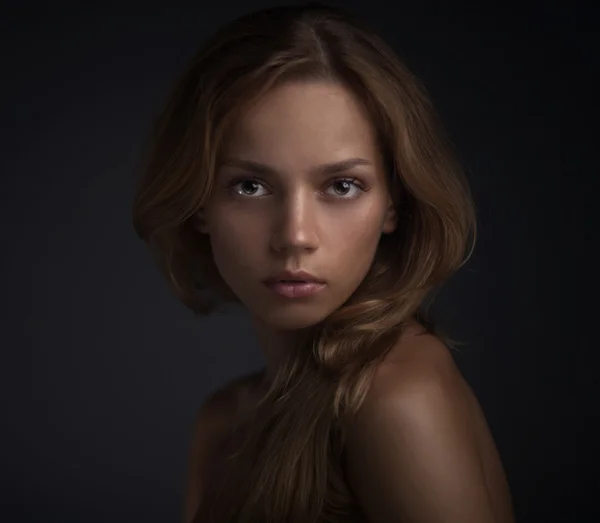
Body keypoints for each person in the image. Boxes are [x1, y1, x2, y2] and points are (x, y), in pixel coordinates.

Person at [132, 3, 515, 522]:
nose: (295, 236)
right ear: (200, 202)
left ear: (393, 204)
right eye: (250, 186)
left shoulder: (397, 398)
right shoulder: (223, 421)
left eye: (341, 186)